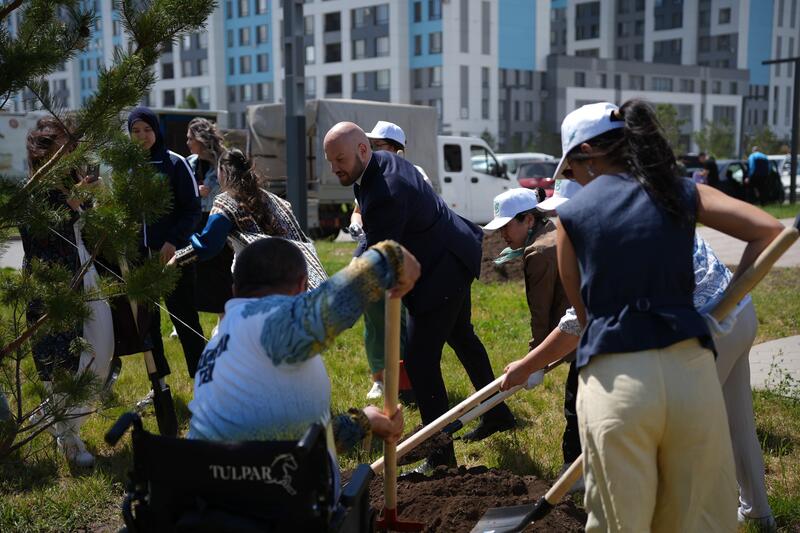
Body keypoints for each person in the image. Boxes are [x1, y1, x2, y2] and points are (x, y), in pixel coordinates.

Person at [548, 100, 783, 531]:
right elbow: (770, 232)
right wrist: (718, 311)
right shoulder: (679, 190)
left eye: (570, 170)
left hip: (617, 383)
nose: (572, 180)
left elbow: (586, 316)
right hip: (692, 376)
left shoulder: (569, 217)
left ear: (588, 155)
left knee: (623, 521)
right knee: (695, 519)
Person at [501, 181, 778, 531]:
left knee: (671, 441)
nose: (563, 221)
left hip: (707, 328)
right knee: (737, 420)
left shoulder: (608, 237)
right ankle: (758, 513)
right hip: (738, 310)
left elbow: (577, 322)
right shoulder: (642, 213)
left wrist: (527, 365)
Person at [323, 122, 515, 472]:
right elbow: (372, 238)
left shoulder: (385, 190)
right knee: (462, 338)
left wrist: (337, 289)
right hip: (454, 251)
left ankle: (441, 458)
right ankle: (499, 413)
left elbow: (380, 259)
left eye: (340, 159)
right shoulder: (377, 165)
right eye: (330, 161)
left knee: (420, 362)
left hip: (442, 271)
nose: (335, 167)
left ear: (363, 150)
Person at [187, 237, 414, 457]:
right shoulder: (269, 324)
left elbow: (299, 443)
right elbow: (331, 304)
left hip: (215, 487)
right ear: (303, 287)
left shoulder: (219, 344)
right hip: (273, 492)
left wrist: (365, 421)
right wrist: (391, 257)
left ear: (235, 289)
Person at [22, 116, 114, 467]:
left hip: (84, 271)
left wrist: (93, 199)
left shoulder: (72, 177)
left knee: (102, 346)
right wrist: (73, 203)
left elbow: (94, 222)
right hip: (53, 280)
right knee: (59, 360)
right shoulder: (36, 186)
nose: (70, 144)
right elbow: (37, 238)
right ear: (44, 144)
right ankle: (68, 436)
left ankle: (50, 415)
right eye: (62, 138)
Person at [483, 187, 580, 477]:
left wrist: (534, 361)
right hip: (581, 326)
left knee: (575, 403)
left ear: (528, 219)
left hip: (580, 331)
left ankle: (572, 471)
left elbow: (540, 313)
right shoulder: (552, 229)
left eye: (507, 227)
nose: (503, 236)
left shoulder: (538, 251)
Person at [170, 149, 327, 290]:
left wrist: (178, 257)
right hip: (288, 277)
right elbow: (297, 239)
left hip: (256, 282)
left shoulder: (226, 202)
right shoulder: (273, 199)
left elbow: (208, 244)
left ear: (223, 171)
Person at [348, 120, 427, 400]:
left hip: (406, 257)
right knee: (374, 317)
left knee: (403, 322)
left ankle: (406, 381)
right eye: (371, 145)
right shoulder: (368, 175)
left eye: (378, 146)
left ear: (396, 149)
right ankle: (379, 378)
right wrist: (356, 222)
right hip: (374, 249)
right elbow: (358, 209)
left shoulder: (414, 175)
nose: (371, 151)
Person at [127, 107, 205, 379]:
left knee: (184, 319)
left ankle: (204, 379)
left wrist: (173, 241)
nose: (142, 136)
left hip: (173, 257)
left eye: (147, 129)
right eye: (135, 131)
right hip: (140, 259)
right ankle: (158, 384)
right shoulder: (128, 168)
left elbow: (193, 209)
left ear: (156, 131)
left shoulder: (175, 163)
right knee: (147, 324)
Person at [185, 117, 233, 318]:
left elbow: (232, 191)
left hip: (218, 220)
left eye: (190, 139)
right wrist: (195, 191)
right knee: (194, 270)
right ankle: (189, 316)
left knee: (220, 269)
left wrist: (210, 191)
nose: (187, 143)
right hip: (196, 219)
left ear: (200, 139)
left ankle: (224, 317)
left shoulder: (224, 161)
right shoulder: (189, 163)